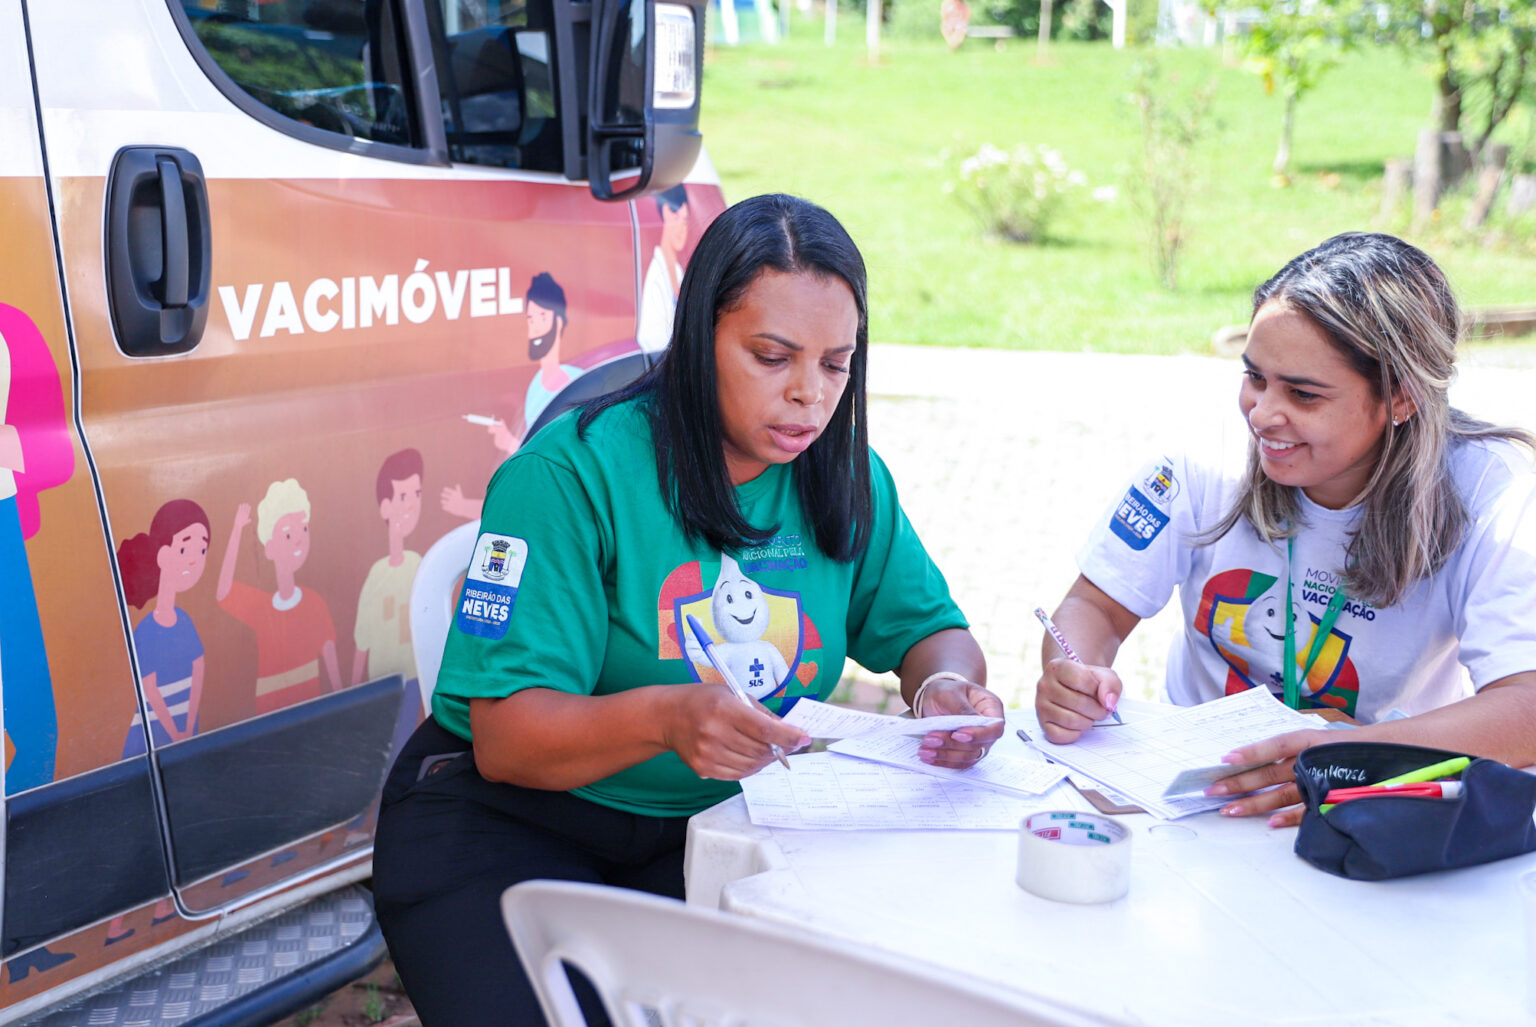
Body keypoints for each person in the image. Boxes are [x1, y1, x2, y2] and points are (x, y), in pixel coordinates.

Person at [373, 193, 1005, 1027]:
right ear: (700, 335)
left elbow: (931, 633)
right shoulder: (570, 476)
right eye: (773, 356)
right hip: (506, 826)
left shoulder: (843, 475)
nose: (810, 396)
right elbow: (507, 738)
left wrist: (943, 691)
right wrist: (671, 718)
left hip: (709, 833)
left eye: (835, 364)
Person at [1035, 232, 1536, 827]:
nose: (1263, 414)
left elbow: (1525, 708)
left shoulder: (1495, 492)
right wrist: (1075, 673)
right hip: (1195, 799)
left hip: (1366, 805)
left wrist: (1358, 757)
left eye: (1303, 393)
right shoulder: (1203, 458)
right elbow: (1094, 606)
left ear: (1402, 397)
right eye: (1254, 377)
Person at [636, 185, 691, 354]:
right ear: (665, 216)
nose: (682, 228)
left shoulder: (678, 272)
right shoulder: (655, 277)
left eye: (685, 220)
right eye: (676, 218)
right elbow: (652, 341)